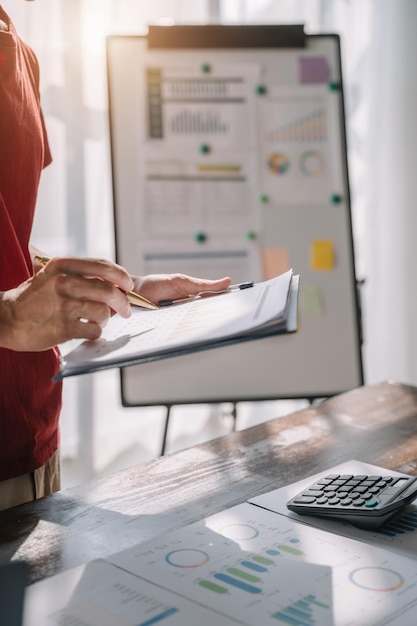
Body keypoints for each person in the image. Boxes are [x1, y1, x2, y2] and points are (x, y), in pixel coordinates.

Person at [0, 3, 231, 511]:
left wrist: (114, 289)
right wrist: (8, 316)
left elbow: (8, 241)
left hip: (30, 433)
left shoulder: (16, 44)